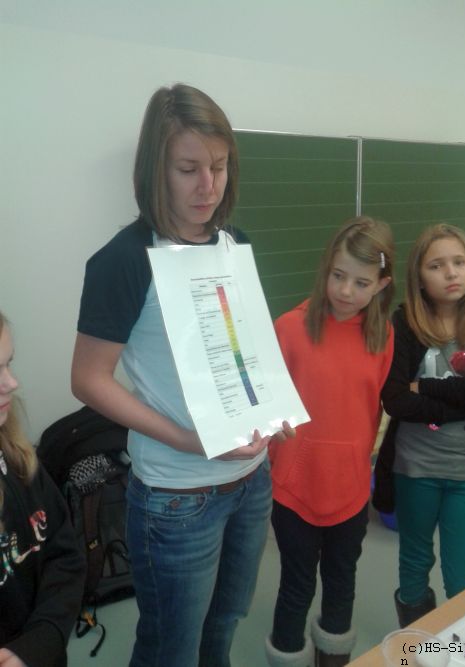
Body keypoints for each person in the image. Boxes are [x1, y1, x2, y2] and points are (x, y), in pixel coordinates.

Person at [71, 83, 293, 667]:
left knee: (224, 626)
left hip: (251, 480)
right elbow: (89, 379)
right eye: (189, 169)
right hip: (177, 496)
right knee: (170, 648)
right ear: (155, 169)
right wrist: (190, 441)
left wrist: (271, 408)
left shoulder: (234, 243)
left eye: (219, 166)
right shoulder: (124, 259)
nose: (208, 186)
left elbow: (243, 350)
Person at [265, 217, 395, 667]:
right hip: (295, 488)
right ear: (325, 269)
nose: (345, 290)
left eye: (361, 282)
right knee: (297, 583)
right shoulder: (289, 328)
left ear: (381, 285)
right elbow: (267, 405)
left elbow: (372, 407)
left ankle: (333, 657)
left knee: (342, 580)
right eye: (338, 275)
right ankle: (287, 654)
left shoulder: (383, 336)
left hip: (351, 489)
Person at [373, 223, 465, 629]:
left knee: (463, 577)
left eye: (459, 262)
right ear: (420, 277)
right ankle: (419, 652)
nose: (451, 273)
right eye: (437, 265)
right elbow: (397, 400)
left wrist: (426, 387)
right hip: (415, 468)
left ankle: (462, 652)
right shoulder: (405, 325)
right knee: (414, 567)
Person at [0, 311, 85, 667]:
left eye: (8, 364)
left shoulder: (18, 457)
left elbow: (64, 552)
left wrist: (41, 641)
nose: (11, 382)